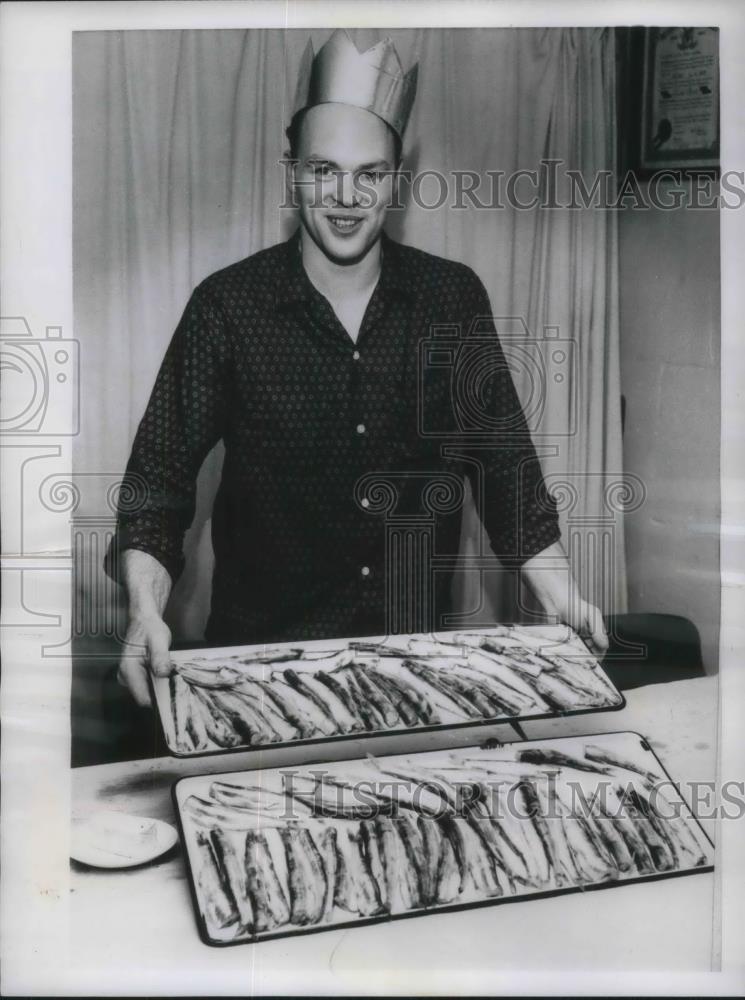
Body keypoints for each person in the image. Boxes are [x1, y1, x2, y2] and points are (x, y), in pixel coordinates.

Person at [105, 29, 608, 708]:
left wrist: (562, 595)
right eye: (323, 169)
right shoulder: (226, 306)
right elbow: (156, 487)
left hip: (412, 666)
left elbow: (506, 472)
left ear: (395, 181)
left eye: (369, 173)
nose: (345, 195)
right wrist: (144, 609)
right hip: (260, 671)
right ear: (292, 172)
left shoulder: (451, 299)